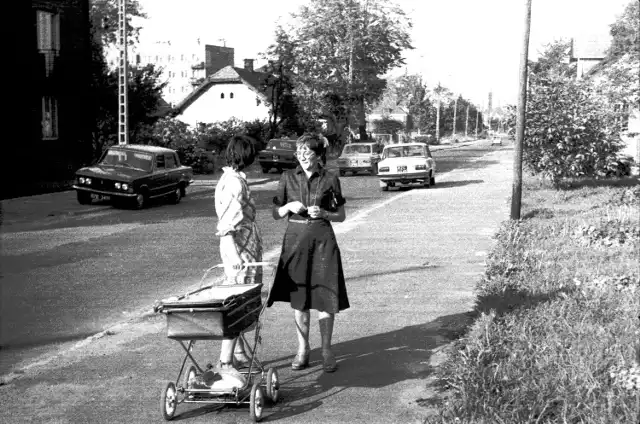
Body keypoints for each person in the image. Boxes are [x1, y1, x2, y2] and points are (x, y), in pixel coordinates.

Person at [268, 133, 350, 373]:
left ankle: (326, 350)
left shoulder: (331, 178)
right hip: (295, 243)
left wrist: (324, 214)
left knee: (325, 297)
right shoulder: (286, 178)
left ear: (318, 155)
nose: (302, 156)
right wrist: (286, 208)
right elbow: (275, 213)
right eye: (299, 152)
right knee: (299, 300)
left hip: (323, 243)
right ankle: (302, 349)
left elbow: (341, 216)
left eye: (308, 152)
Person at [214, 135, 263, 381]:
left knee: (239, 299)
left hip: (240, 245)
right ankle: (225, 361)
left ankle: (240, 352)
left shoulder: (229, 178)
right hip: (239, 247)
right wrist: (235, 255)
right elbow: (228, 224)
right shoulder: (235, 184)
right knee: (239, 303)